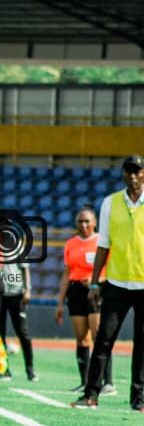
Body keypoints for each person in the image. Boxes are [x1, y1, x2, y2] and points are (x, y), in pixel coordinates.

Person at [73, 155, 144, 411]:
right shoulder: (110, 203)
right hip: (116, 283)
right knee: (104, 339)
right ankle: (91, 394)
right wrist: (94, 283)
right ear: (123, 174)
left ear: (143, 174)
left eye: (137, 171)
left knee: (142, 344)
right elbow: (102, 245)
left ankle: (139, 399)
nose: (132, 176)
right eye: (128, 171)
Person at [54, 206, 110, 393]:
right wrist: (60, 303)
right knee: (82, 340)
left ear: (94, 223)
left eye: (87, 221)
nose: (83, 225)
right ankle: (85, 382)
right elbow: (66, 274)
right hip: (76, 292)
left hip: (97, 290)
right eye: (80, 221)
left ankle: (107, 382)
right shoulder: (70, 244)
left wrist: (97, 280)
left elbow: (111, 269)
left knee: (99, 337)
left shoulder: (102, 241)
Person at [0, 258, 36, 381]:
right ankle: (4, 370)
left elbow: (25, 269)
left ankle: (30, 370)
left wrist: (28, 289)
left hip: (17, 294)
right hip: (0, 295)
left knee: (23, 333)